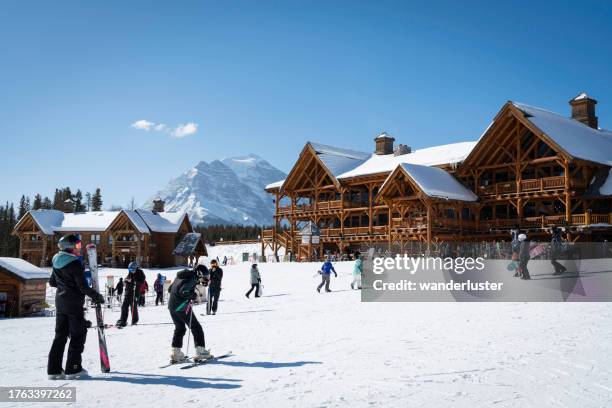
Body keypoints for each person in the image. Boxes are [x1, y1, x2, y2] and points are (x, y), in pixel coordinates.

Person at [47, 234, 105, 380]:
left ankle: (54, 370)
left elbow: (52, 282)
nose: (79, 248)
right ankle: (73, 368)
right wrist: (97, 296)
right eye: (78, 245)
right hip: (73, 305)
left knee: (60, 336)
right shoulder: (74, 263)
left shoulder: (57, 261)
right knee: (78, 334)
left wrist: (65, 282)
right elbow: (82, 287)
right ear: (70, 247)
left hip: (60, 303)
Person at [168, 264, 212, 363]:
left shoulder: (182, 276)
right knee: (196, 327)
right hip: (181, 306)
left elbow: (170, 289)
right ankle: (200, 351)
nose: (205, 279)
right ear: (199, 274)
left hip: (172, 306)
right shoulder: (192, 277)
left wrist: (189, 293)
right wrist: (192, 295)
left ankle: (176, 353)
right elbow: (183, 291)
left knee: (180, 328)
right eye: (205, 277)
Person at [116, 261, 145, 327]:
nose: (131, 271)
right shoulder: (130, 273)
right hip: (128, 291)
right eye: (129, 270)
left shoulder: (140, 273)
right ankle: (123, 320)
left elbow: (142, 281)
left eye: (132, 270)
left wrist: (133, 281)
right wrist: (126, 280)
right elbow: (128, 279)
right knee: (124, 306)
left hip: (135, 292)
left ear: (136, 268)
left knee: (133, 306)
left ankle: (134, 320)